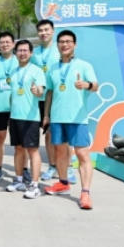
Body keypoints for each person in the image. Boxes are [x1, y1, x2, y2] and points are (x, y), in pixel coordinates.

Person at [44, 30, 98, 210]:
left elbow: (96, 86)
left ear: (75, 44)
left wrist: (86, 85)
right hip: (57, 118)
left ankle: (85, 193)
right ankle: (63, 183)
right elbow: (50, 92)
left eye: (68, 41)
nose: (64, 44)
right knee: (60, 153)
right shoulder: (53, 68)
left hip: (78, 118)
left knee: (82, 154)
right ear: (57, 45)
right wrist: (46, 115)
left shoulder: (84, 66)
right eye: (61, 41)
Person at [31, 19, 76, 183]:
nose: (43, 33)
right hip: (38, 98)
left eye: (46, 30)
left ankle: (68, 168)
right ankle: (52, 166)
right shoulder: (34, 53)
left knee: (63, 136)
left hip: (58, 98)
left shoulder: (60, 50)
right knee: (47, 134)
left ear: (52, 31)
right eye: (41, 30)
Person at [6, 40, 46, 199]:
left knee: (33, 150)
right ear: (15, 53)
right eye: (19, 51)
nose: (22, 53)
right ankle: (19, 180)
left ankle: (35, 185)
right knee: (18, 149)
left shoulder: (37, 71)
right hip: (15, 117)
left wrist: (37, 90)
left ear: (31, 53)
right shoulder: (13, 72)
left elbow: (41, 90)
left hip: (30, 118)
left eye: (25, 50)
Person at [0, 32, 18, 183]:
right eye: (2, 42)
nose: (5, 44)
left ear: (13, 44)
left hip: (17, 108)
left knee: (20, 143)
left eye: (8, 42)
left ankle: (23, 170)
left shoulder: (20, 60)